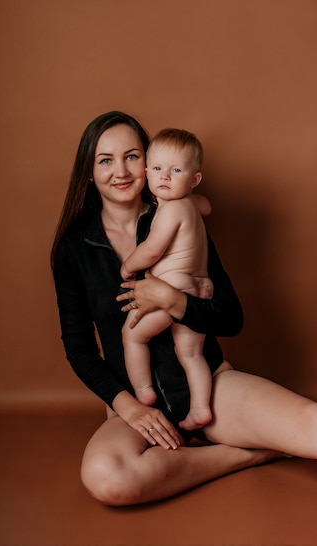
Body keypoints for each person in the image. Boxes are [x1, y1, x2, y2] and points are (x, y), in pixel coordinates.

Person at [51, 110, 317, 507]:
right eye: (105, 160)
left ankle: (254, 437)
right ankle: (247, 453)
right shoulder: (74, 249)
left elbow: (231, 317)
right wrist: (127, 407)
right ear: (88, 172)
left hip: (209, 388)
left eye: (132, 156)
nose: (121, 171)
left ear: (149, 162)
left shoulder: (180, 217)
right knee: (109, 477)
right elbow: (78, 347)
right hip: (137, 401)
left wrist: (174, 301)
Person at [120, 128, 214, 430]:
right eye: (158, 169)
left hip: (174, 287)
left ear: (194, 178)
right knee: (191, 352)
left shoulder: (170, 210)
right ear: (147, 172)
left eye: (175, 171)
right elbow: (207, 206)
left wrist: (127, 266)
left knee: (133, 335)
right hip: (201, 288)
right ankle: (200, 409)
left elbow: (151, 250)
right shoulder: (193, 204)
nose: (165, 177)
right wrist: (191, 193)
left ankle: (144, 391)